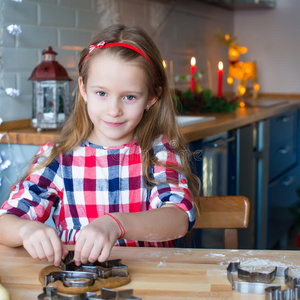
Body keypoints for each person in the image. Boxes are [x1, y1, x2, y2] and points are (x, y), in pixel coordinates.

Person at [0, 24, 199, 267]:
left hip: (151, 281)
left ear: (152, 97)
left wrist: (116, 224)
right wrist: (26, 230)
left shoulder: (158, 151)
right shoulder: (59, 157)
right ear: (83, 89)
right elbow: (4, 222)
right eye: (101, 93)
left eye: (129, 97)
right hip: (79, 286)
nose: (114, 110)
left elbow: (178, 218)